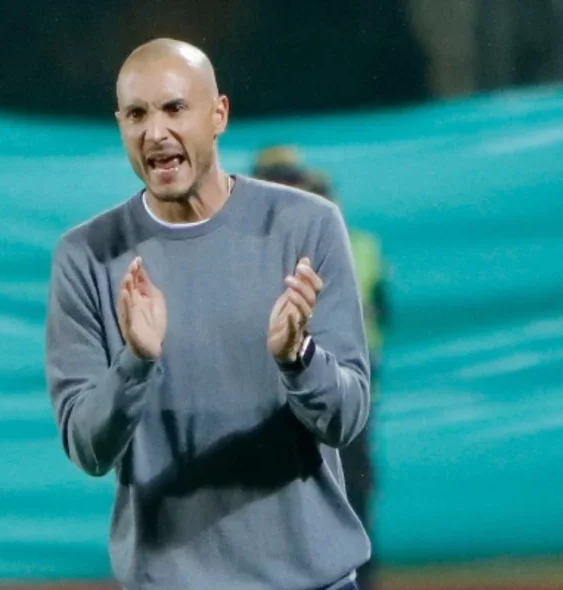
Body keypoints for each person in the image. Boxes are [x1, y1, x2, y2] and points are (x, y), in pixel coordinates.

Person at [44, 38, 371, 590]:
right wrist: (135, 363)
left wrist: (299, 358)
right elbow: (87, 448)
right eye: (137, 115)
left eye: (175, 108)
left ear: (218, 114)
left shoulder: (306, 226)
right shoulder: (86, 257)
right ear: (120, 124)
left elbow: (347, 417)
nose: (155, 132)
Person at [253, 149, 390, 590]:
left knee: (349, 490)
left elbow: (379, 314)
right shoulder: (253, 244)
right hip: (279, 392)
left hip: (337, 386)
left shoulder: (342, 243)